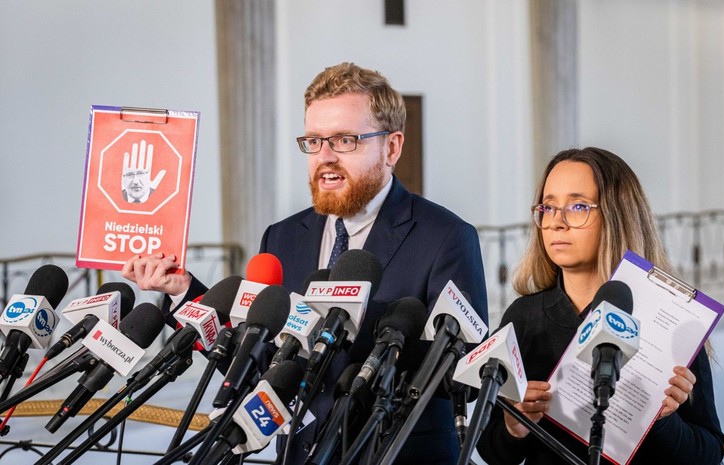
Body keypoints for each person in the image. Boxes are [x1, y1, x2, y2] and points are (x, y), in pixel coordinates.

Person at [122, 62, 487, 465]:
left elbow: (461, 378)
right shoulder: (282, 237)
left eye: (344, 140)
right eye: (314, 141)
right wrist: (183, 292)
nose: (324, 157)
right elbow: (258, 358)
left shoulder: (446, 237)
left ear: (392, 148)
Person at [476, 147, 724, 465]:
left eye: (578, 206)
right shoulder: (523, 316)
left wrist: (661, 420)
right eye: (548, 207)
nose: (557, 222)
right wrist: (514, 426)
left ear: (616, 216)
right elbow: (491, 450)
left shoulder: (670, 318)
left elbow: (708, 453)